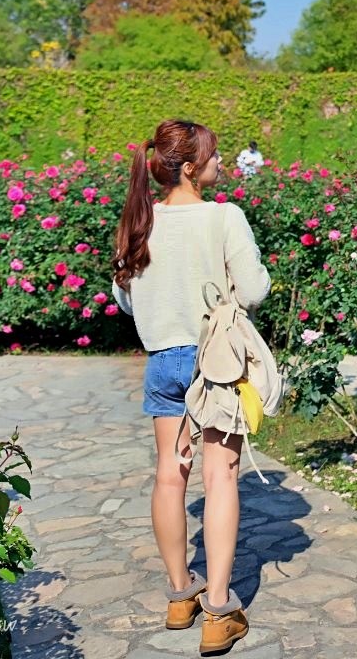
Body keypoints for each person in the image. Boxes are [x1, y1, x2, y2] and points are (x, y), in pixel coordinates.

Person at [111, 119, 271, 654]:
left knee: (168, 476)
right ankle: (219, 611)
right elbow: (253, 290)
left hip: (162, 359)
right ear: (189, 168)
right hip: (214, 361)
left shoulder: (139, 219)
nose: (220, 163)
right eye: (214, 156)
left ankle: (180, 595)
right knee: (220, 478)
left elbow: (127, 299)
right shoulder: (224, 217)